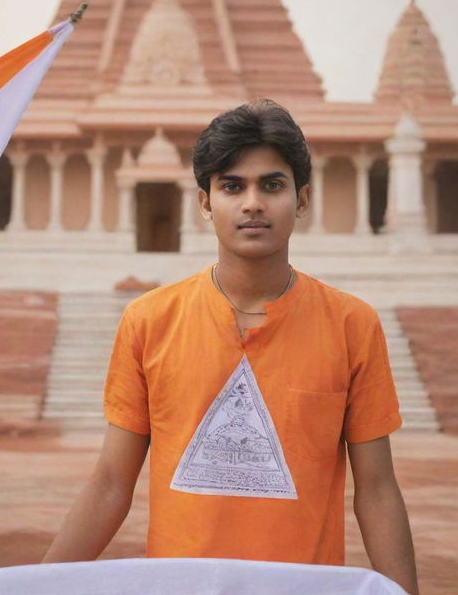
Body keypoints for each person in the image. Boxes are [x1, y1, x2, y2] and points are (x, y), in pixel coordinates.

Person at [42, 99, 419, 595]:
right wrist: (34, 585)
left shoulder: (352, 325)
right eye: (232, 186)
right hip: (181, 586)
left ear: (302, 199)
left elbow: (376, 490)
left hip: (301, 587)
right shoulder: (149, 320)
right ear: (204, 202)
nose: (252, 203)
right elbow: (112, 482)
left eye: (273, 185)